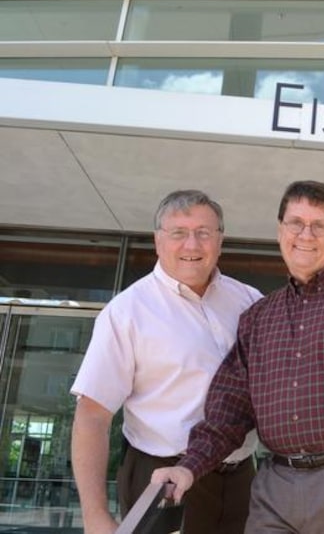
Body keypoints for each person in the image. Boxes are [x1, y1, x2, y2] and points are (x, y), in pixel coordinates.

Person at [152, 180, 324, 533]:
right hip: (276, 492)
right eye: (296, 223)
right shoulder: (258, 318)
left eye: (319, 225)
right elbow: (229, 410)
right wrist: (188, 467)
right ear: (280, 230)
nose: (306, 234)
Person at [70, 189, 262, 534]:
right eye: (179, 233)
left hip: (241, 478)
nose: (192, 245)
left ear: (220, 240)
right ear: (158, 240)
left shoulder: (249, 301)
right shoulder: (127, 312)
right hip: (160, 478)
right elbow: (92, 416)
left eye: (204, 233)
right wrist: (93, 515)